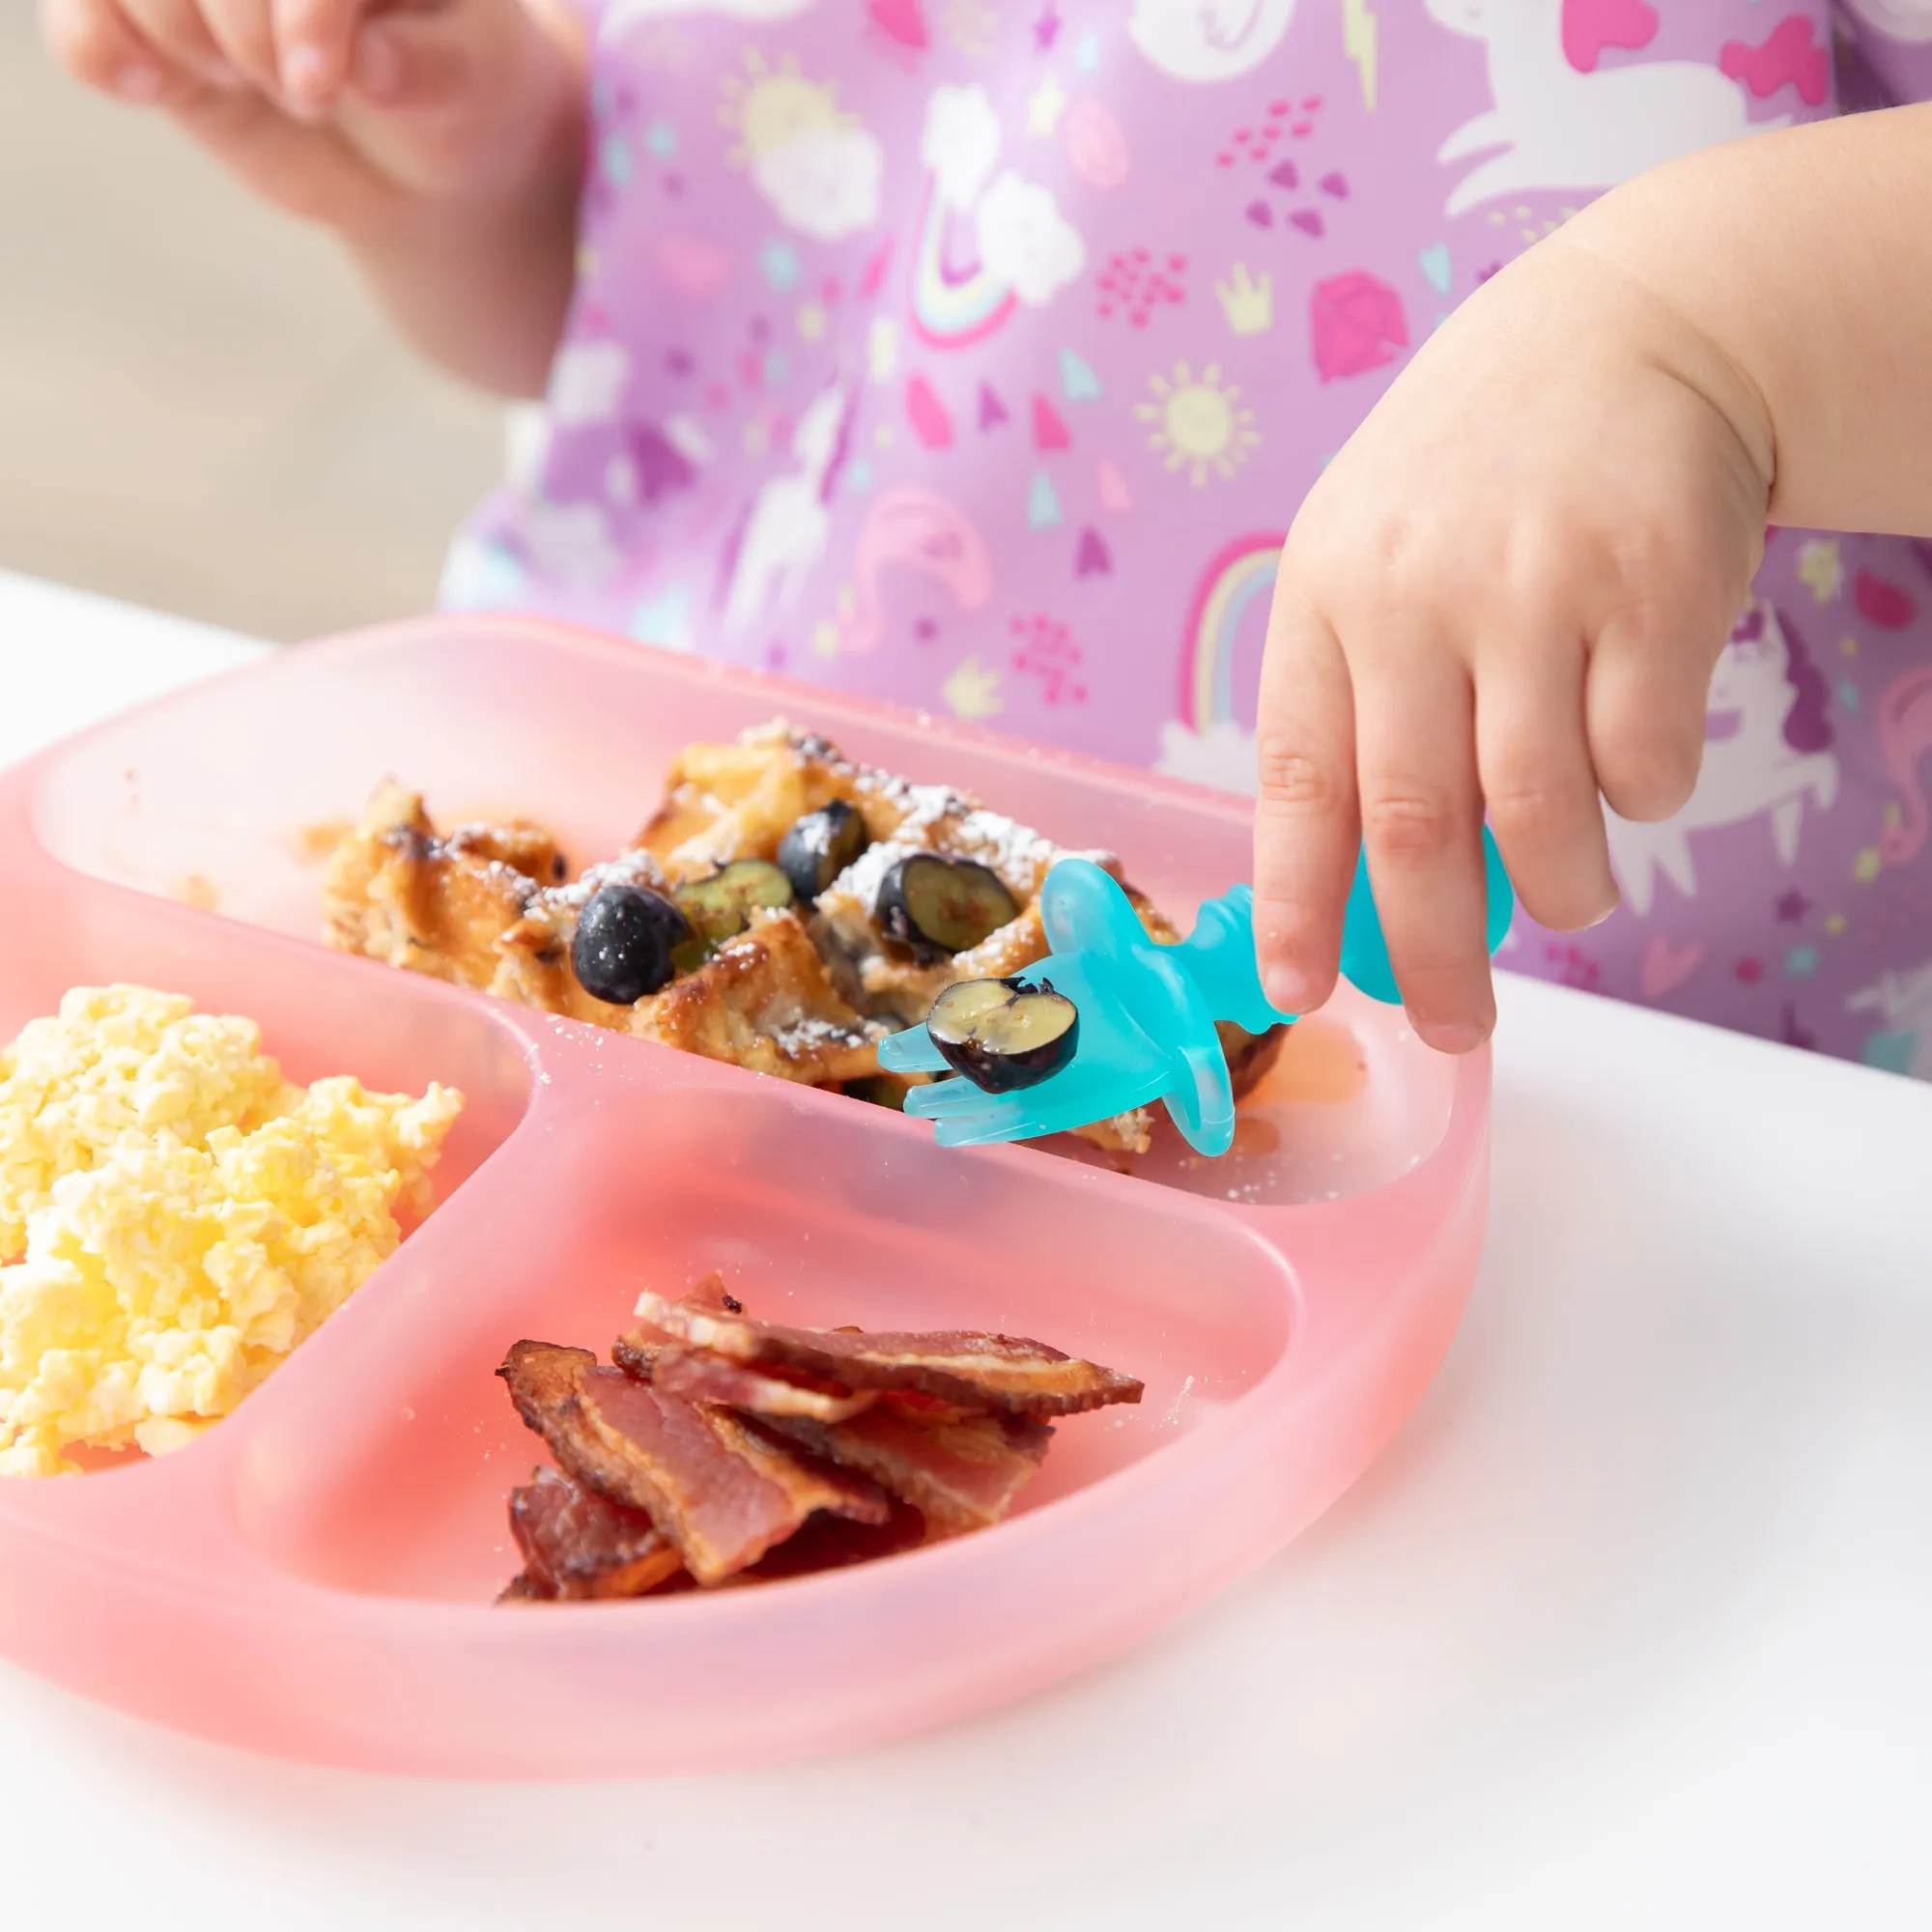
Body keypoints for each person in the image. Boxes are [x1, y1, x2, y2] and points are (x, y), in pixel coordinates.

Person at [41, 0, 1932, 1074]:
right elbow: (735, 296)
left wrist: (1699, 327)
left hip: (1598, 1087)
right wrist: (499, 172)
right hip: (682, 964)